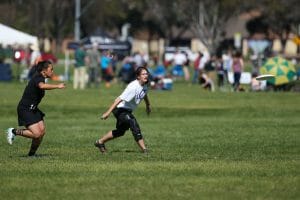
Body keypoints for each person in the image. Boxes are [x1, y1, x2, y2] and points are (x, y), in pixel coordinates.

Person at [6, 60, 65, 156]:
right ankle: (14, 131)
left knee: (42, 132)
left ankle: (31, 155)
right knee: (36, 134)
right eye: (51, 69)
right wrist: (57, 86)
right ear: (44, 71)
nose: (52, 71)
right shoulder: (38, 78)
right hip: (25, 109)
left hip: (33, 109)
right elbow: (41, 86)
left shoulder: (41, 77)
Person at [95, 66, 151, 154]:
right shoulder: (133, 87)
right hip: (119, 109)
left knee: (120, 132)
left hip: (127, 111)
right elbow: (119, 99)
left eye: (147, 73)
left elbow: (144, 94)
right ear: (138, 76)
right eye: (143, 74)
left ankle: (100, 142)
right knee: (133, 122)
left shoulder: (146, 84)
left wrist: (148, 105)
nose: (146, 75)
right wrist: (107, 113)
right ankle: (144, 149)